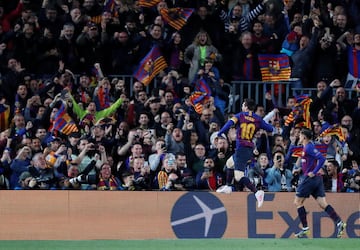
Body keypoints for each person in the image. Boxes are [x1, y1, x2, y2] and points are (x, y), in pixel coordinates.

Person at [216, 98, 274, 208]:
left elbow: (228, 124)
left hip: (242, 148)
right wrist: (260, 128)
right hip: (248, 148)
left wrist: (220, 133)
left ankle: (257, 192)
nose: (242, 106)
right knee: (229, 163)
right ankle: (228, 186)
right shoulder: (258, 119)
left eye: (243, 104)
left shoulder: (240, 116)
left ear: (246, 106)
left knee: (238, 176)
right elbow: (270, 128)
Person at [293, 128, 346, 238]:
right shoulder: (307, 147)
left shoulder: (309, 147)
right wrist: (301, 170)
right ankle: (339, 222)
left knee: (298, 202)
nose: (298, 136)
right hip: (317, 180)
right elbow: (309, 162)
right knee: (322, 203)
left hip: (310, 179)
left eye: (300, 135)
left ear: (304, 137)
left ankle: (305, 228)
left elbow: (321, 159)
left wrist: (314, 171)